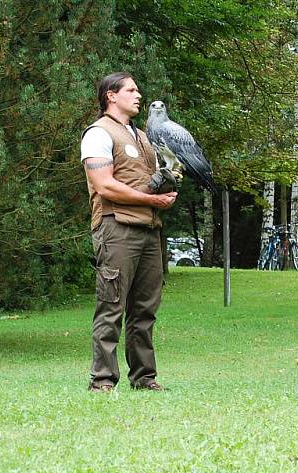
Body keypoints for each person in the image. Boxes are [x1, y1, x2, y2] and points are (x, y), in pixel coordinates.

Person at [80, 72, 178, 392]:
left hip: (150, 230)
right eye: (132, 90)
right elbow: (104, 185)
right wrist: (152, 199)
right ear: (111, 95)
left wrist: (168, 185)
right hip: (116, 228)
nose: (139, 95)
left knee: (145, 310)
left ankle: (144, 378)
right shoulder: (98, 133)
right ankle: (103, 381)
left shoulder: (142, 135)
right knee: (112, 307)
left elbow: (149, 176)